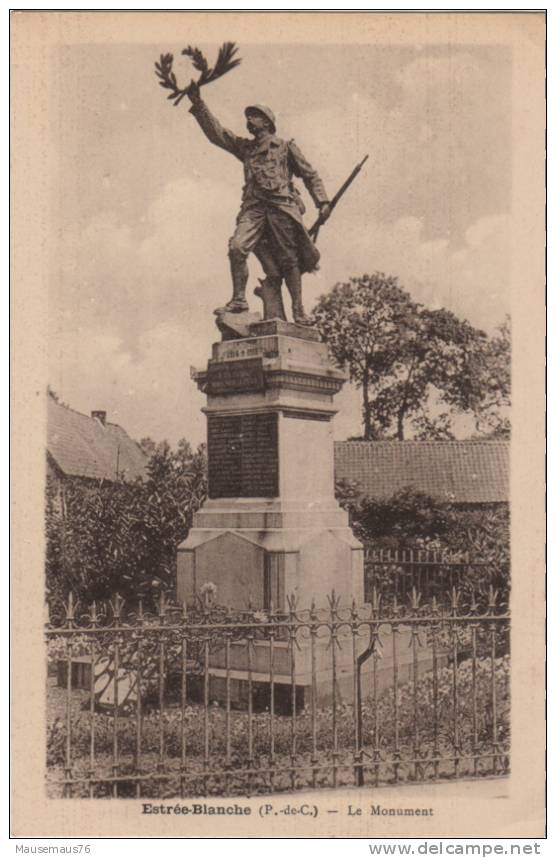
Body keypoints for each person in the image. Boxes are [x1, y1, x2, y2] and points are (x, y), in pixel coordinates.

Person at [187, 82, 331, 324]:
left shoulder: (285, 147)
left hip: (281, 207)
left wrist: (322, 201)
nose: (249, 119)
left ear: (267, 121)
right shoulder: (247, 148)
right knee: (237, 247)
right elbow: (218, 135)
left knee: (289, 260)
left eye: (254, 116)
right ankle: (239, 299)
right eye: (248, 116)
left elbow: (310, 175)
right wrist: (198, 104)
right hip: (254, 208)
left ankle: (298, 311)